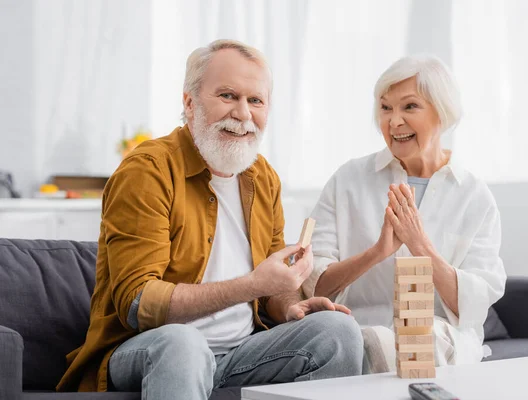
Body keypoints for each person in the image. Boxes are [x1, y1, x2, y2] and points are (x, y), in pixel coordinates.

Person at [57, 39, 363, 399]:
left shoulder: (263, 178)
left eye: (256, 100)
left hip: (240, 353)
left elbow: (272, 293)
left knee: (338, 331)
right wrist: (251, 284)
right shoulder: (148, 170)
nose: (244, 114)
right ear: (189, 102)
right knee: (184, 344)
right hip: (149, 349)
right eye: (228, 96)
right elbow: (138, 304)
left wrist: (290, 304)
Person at [302, 55, 506, 371]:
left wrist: (420, 244)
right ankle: (378, 351)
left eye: (409, 107)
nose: (394, 121)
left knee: (427, 340)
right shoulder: (348, 180)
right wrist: (377, 252)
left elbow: (472, 305)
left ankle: (385, 355)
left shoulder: (472, 194)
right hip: (355, 332)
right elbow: (313, 286)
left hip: (439, 339)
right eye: (386, 108)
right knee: (357, 341)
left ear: (442, 111)